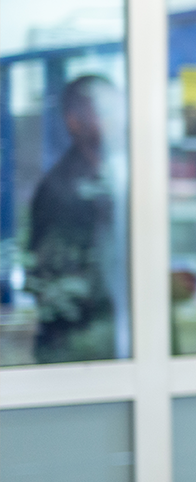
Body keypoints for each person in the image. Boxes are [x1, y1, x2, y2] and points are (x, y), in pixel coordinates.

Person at [26, 74, 124, 363]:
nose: (117, 120)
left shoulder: (120, 174)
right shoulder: (60, 189)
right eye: (104, 111)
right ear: (74, 121)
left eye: (118, 109)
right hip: (80, 352)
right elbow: (52, 283)